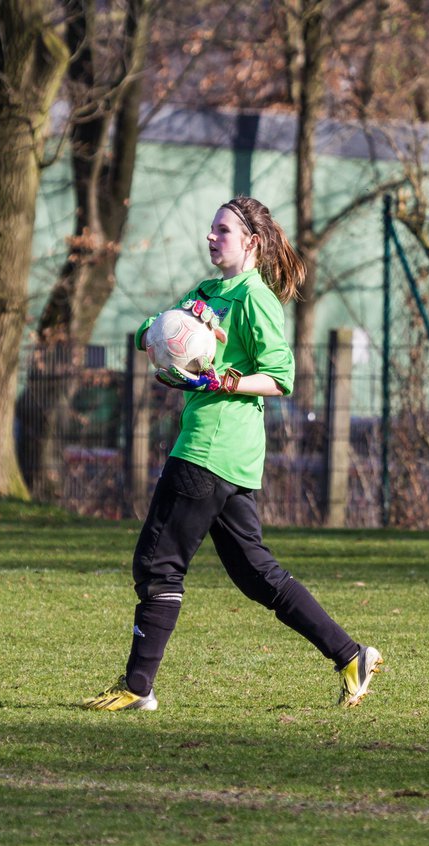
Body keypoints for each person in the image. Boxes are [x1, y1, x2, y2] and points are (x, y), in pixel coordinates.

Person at [82, 196, 381, 712]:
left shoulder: (254, 298)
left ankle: (137, 687)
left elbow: (281, 377)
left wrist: (225, 377)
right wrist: (171, 328)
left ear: (251, 242)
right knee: (254, 572)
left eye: (222, 230)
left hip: (210, 447)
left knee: (158, 564)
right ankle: (350, 654)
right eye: (211, 229)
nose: (211, 237)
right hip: (225, 453)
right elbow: (147, 336)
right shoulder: (206, 292)